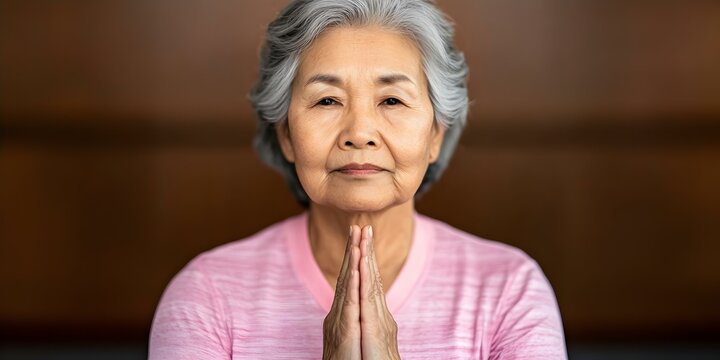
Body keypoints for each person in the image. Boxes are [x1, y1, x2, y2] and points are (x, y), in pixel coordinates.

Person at [148, 0, 567, 358]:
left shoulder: (510, 290)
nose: (359, 133)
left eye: (392, 99)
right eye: (327, 100)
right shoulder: (205, 297)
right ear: (287, 135)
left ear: (435, 134)